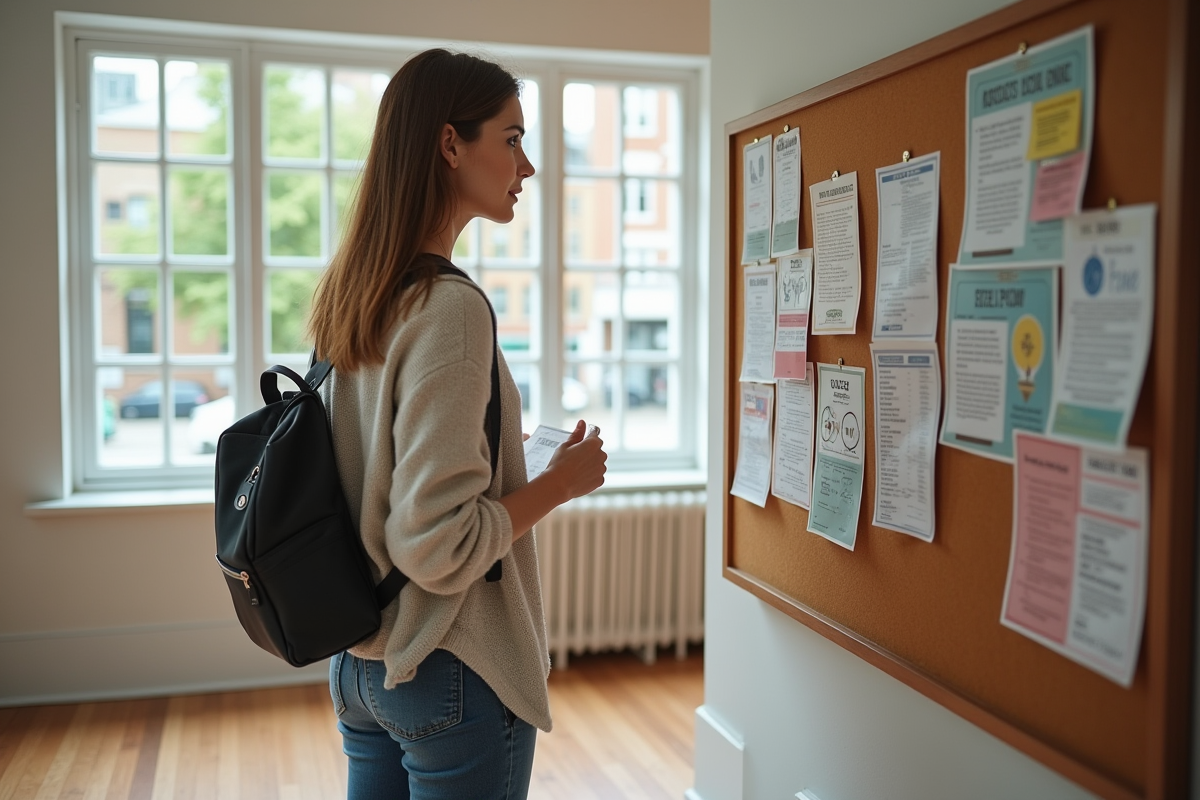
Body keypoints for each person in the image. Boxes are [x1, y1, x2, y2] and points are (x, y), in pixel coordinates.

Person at [307, 49, 607, 800]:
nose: (527, 165)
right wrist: (560, 485)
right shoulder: (450, 308)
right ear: (450, 145)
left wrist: (514, 472)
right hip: (448, 659)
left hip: (360, 661)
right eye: (510, 138)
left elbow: (382, 483)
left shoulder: (357, 292)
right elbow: (437, 544)